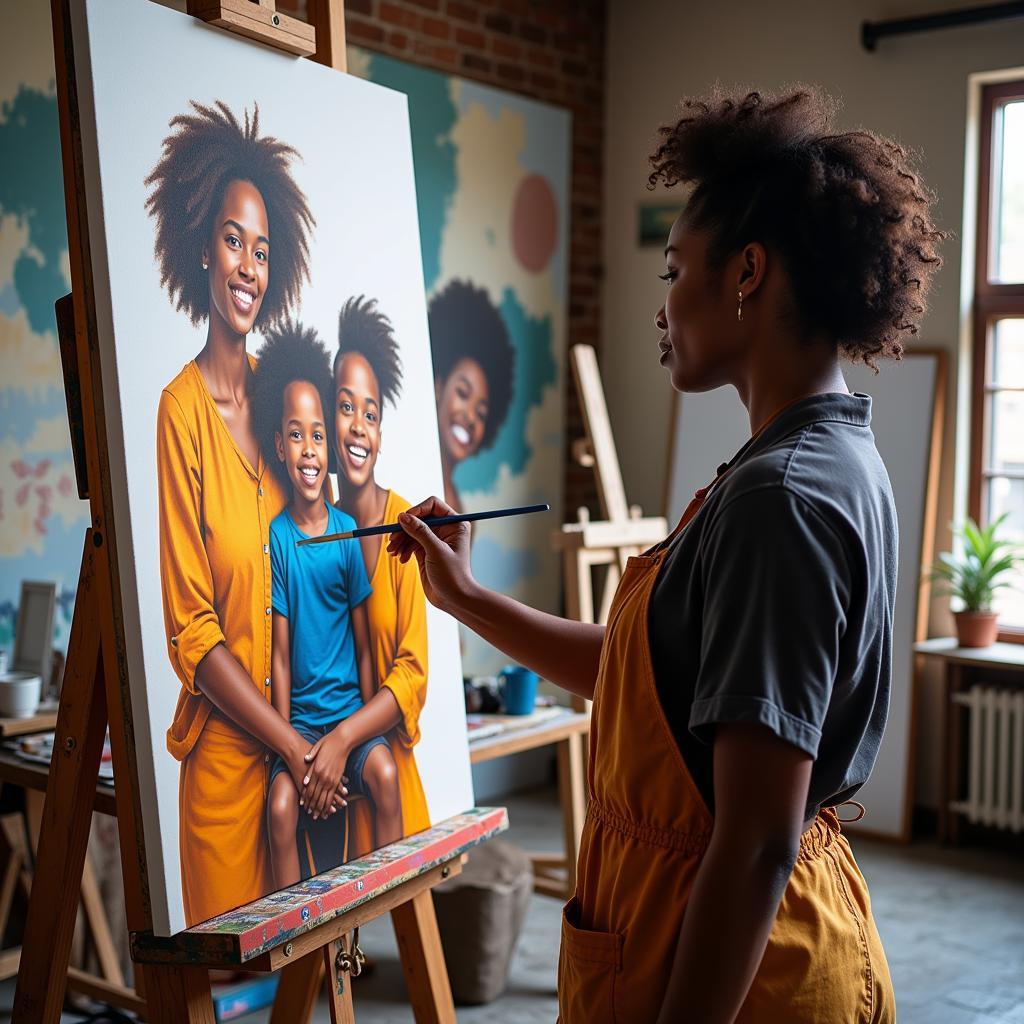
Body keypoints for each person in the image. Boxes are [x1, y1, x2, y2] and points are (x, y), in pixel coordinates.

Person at [388, 87, 945, 1023]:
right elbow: (651, 681)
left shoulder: (784, 500)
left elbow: (759, 843)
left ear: (748, 274)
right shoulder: (812, 458)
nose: (665, 304)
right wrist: (468, 599)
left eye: (676, 268)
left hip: (742, 976)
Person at [150, 100, 330, 925]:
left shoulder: (282, 394)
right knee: (226, 998)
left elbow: (324, 536)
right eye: (233, 240)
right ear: (199, 247)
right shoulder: (179, 413)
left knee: (313, 977)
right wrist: (287, 745)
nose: (248, 265)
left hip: (313, 764)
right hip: (229, 770)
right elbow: (193, 630)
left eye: (262, 249)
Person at [250, 321, 403, 889]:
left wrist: (358, 735)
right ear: (279, 450)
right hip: (301, 732)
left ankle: (386, 903)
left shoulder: (346, 533)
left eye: (318, 435)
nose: (310, 449)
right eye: (296, 436)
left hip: (349, 724)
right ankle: (295, 938)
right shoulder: (280, 539)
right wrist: (293, 749)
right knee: (282, 810)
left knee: (384, 772)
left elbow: (364, 644)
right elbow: (282, 657)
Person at [330, 295, 431, 854]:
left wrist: (346, 736)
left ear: (382, 433)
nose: (358, 427)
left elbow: (412, 673)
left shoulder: (406, 527)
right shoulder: (313, 530)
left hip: (391, 787)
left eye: (371, 414)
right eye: (346, 407)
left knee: (404, 937)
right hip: (330, 789)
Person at [427, 280, 515, 512]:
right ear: (438, 387)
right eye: (463, 393)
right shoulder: (408, 483)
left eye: (481, 413)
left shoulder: (459, 511)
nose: (470, 418)